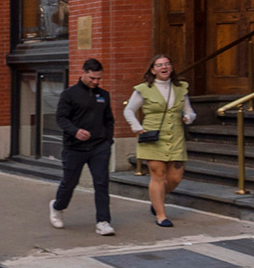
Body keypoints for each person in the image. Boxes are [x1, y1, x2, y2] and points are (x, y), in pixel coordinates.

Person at [124, 54, 195, 228]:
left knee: (175, 178)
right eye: (159, 65)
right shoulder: (143, 89)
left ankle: (157, 200)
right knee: (158, 175)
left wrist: (188, 117)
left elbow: (190, 111)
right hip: (153, 136)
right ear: (153, 70)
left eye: (167, 64)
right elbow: (129, 111)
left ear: (171, 67)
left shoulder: (180, 88)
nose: (164, 67)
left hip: (176, 136)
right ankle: (161, 215)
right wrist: (136, 126)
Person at [50, 58, 116, 235]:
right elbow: (61, 118)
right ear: (84, 73)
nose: (95, 82)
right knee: (69, 183)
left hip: (99, 146)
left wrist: (108, 140)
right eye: (92, 78)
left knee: (101, 183)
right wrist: (75, 131)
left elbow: (109, 119)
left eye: (98, 79)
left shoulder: (103, 95)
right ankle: (57, 206)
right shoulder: (69, 95)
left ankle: (103, 221)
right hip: (75, 147)